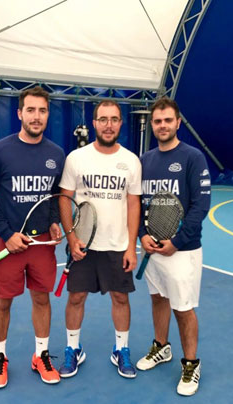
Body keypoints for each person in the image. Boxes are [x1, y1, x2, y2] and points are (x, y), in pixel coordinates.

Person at [0, 86, 66, 388]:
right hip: (9, 243)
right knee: (2, 302)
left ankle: (41, 355)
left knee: (41, 298)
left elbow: (53, 196)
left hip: (42, 245)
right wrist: (6, 234)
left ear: (47, 114)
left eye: (42, 110)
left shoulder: (56, 154)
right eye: (30, 110)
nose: (36, 116)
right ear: (20, 113)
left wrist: (54, 221)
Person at [57, 100, 142, 379]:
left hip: (117, 247)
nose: (108, 125)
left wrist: (132, 246)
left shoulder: (131, 161)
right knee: (76, 297)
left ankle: (121, 350)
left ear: (121, 123)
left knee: (120, 297)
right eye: (103, 119)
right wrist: (71, 239)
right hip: (84, 245)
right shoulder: (76, 158)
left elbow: (133, 205)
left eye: (114, 119)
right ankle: (73, 349)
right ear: (94, 123)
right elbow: (65, 200)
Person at [135, 97, 211, 396]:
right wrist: (142, 234)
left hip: (183, 250)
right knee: (158, 298)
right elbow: (139, 203)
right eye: (158, 121)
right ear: (152, 125)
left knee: (183, 308)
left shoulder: (193, 158)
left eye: (168, 120)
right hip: (152, 249)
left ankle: (191, 363)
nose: (163, 125)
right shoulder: (145, 161)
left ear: (178, 122)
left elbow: (201, 204)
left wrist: (176, 242)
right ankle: (161, 347)